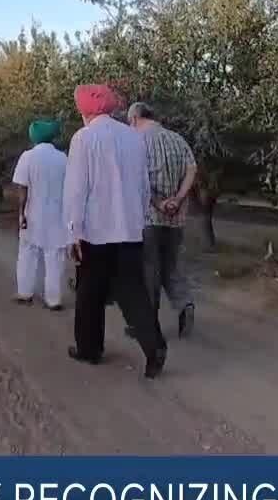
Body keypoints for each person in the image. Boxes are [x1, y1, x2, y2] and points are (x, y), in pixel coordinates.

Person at [62, 84, 168, 378]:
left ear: (85, 109)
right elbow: (144, 186)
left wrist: (73, 232)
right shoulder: (133, 138)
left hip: (95, 232)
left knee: (89, 293)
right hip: (130, 230)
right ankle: (154, 346)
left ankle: (89, 349)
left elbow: (76, 190)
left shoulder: (84, 138)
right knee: (133, 293)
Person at [125, 102, 198, 339]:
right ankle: (185, 305)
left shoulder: (137, 142)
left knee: (148, 271)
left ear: (134, 118)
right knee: (172, 266)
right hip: (176, 219)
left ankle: (146, 324)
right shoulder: (178, 139)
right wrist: (177, 199)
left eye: (129, 123)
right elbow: (192, 170)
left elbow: (138, 179)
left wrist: (158, 203)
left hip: (149, 218)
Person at [12, 119, 69, 310]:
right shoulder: (63, 158)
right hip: (58, 216)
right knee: (55, 258)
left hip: (33, 214)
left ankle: (24, 293)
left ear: (34, 137)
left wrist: (21, 214)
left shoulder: (27, 157)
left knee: (28, 254)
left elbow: (23, 189)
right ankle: (54, 300)